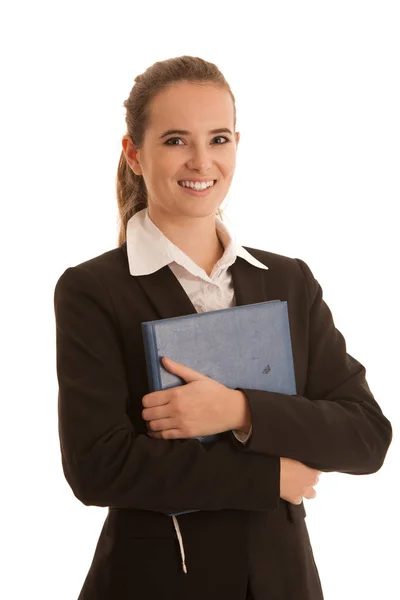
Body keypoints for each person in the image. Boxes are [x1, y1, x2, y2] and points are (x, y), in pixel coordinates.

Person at [54, 55, 392, 600]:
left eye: (217, 139)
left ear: (237, 142)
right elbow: (98, 466)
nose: (201, 161)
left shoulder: (289, 280)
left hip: (282, 583)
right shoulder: (94, 290)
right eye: (174, 140)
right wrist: (267, 478)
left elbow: (366, 436)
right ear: (134, 154)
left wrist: (239, 410)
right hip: (155, 582)